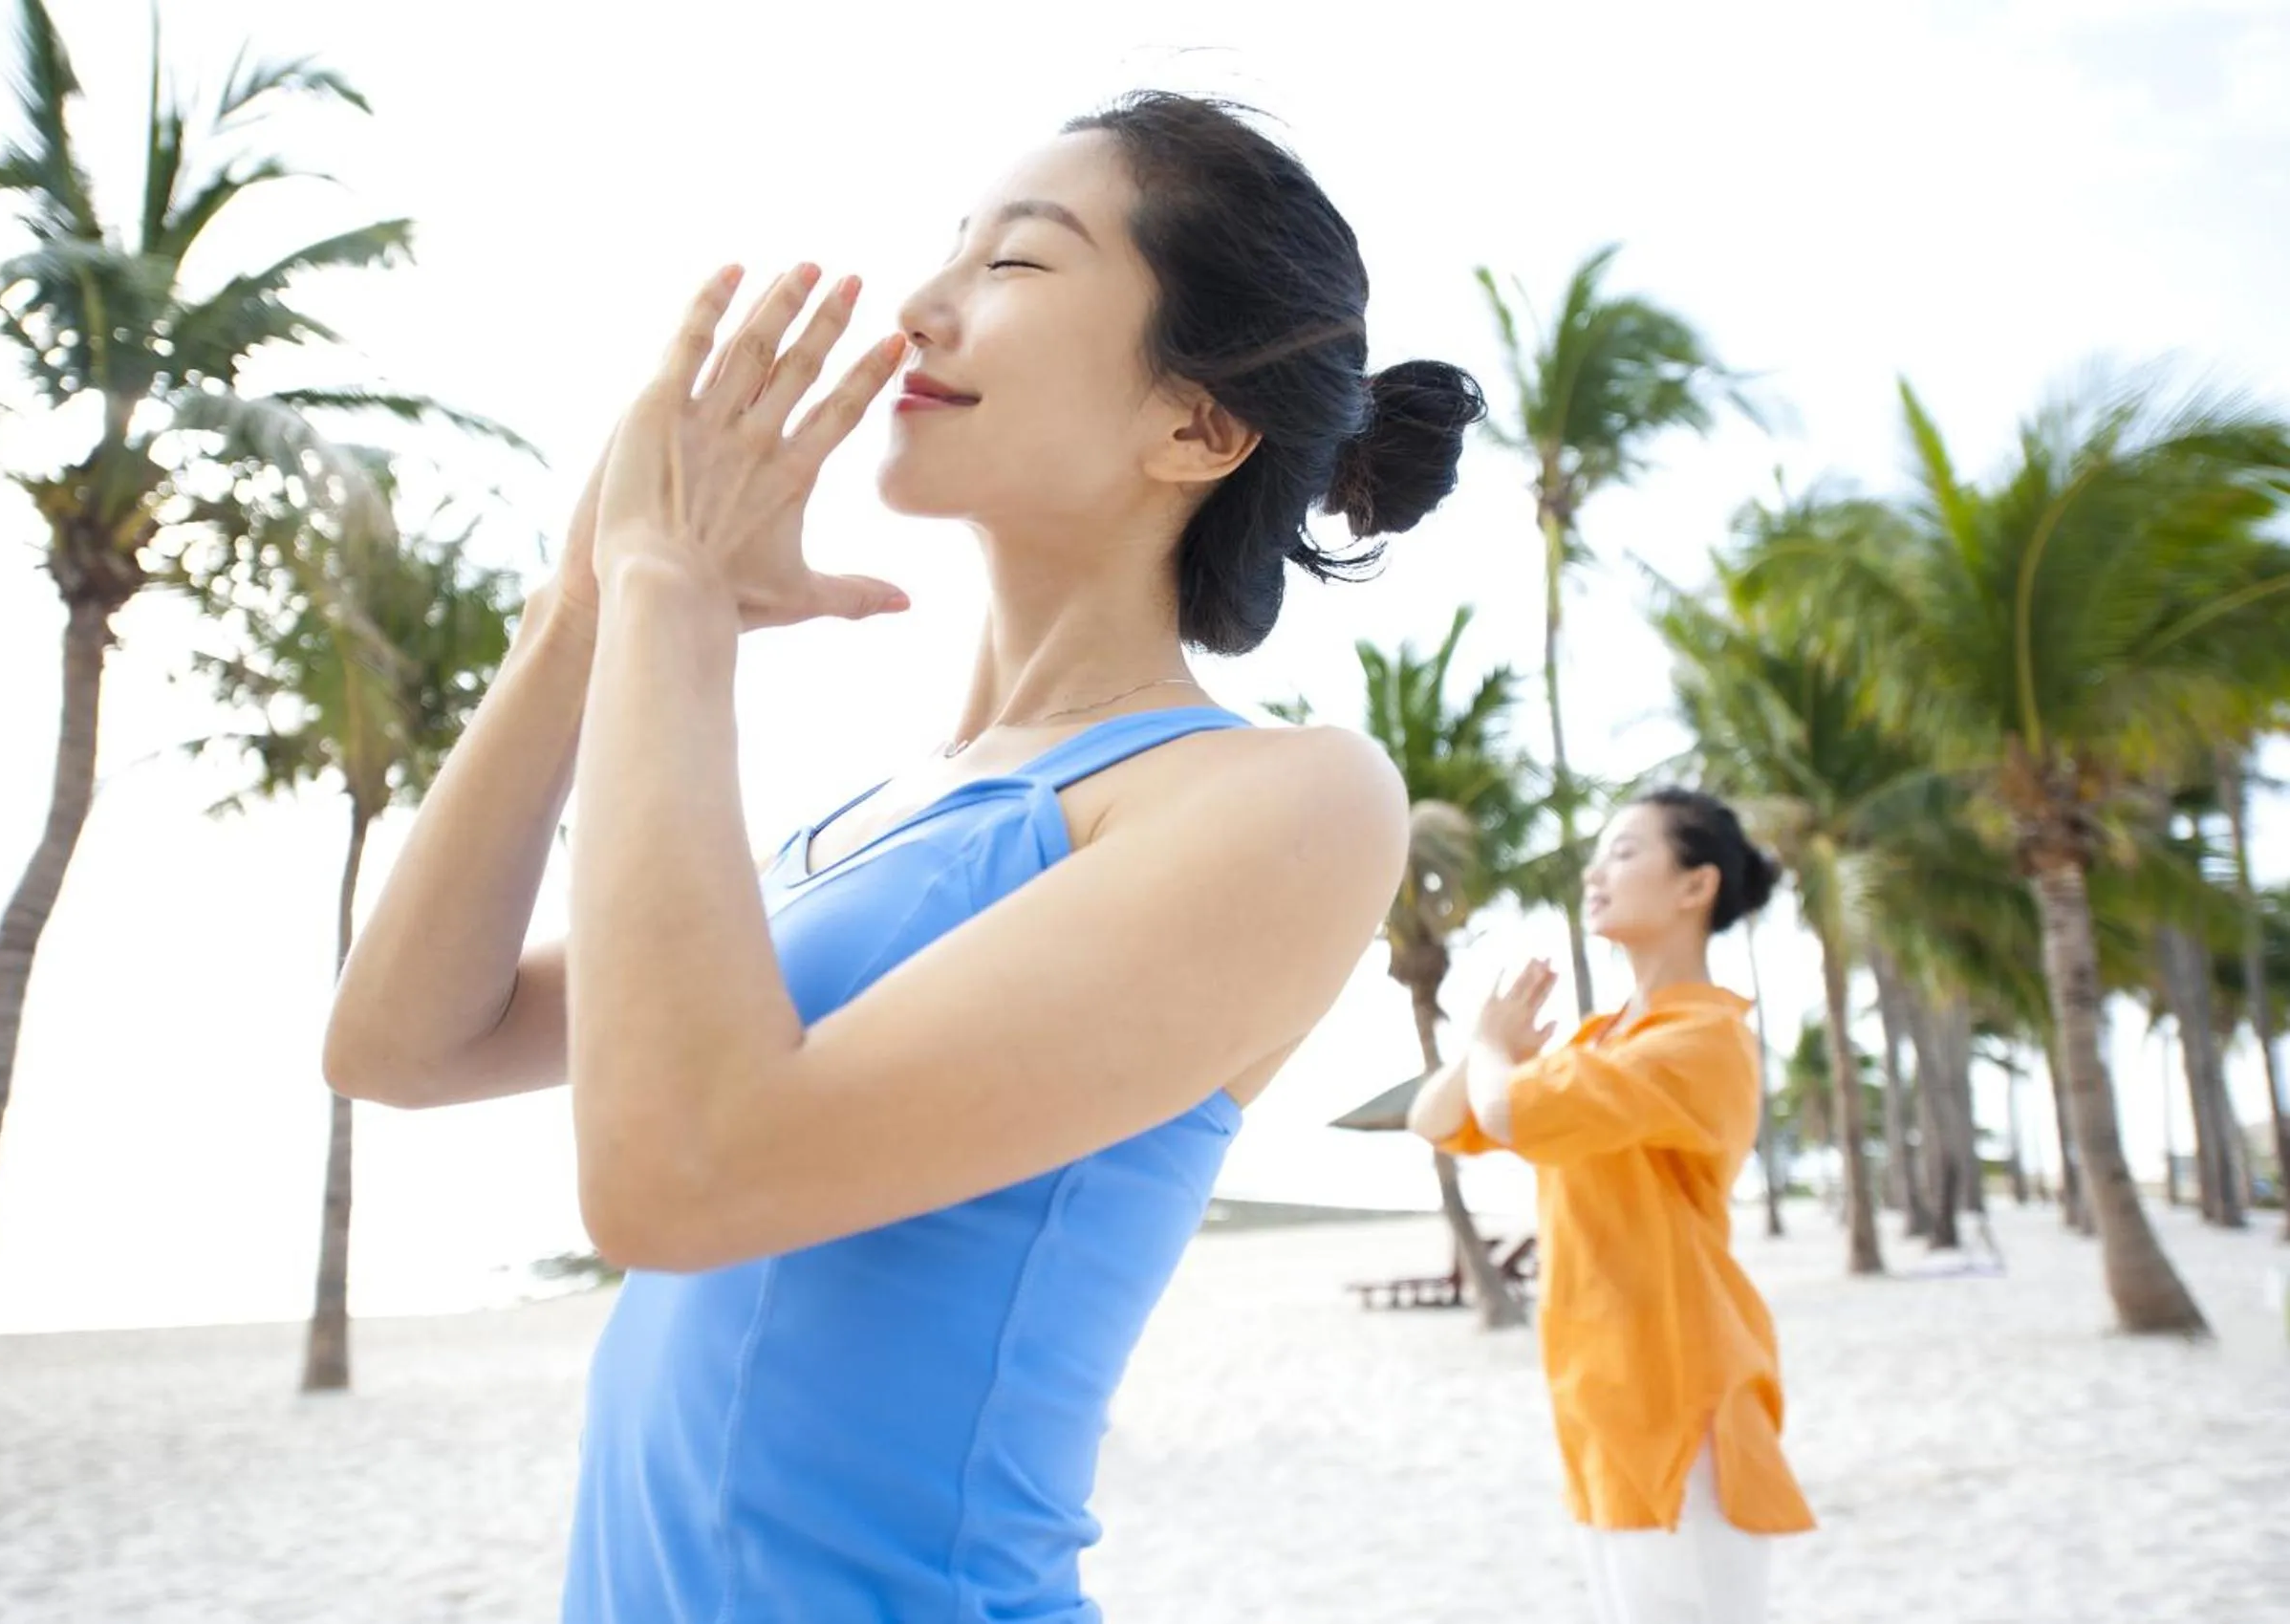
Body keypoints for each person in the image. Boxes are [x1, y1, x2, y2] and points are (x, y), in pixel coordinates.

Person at [324, 93, 1484, 1622]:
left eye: (1015, 264)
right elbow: (402, 1037)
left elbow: (680, 1174)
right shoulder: (863, 821)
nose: (921, 306)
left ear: (1194, 424)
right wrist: (586, 609)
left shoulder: (1284, 797)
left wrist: (674, 597)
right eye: (947, 248)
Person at [1409, 788, 1817, 1624]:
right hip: (1599, 1394)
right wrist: (1490, 1048)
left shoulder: (1700, 1038)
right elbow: (1437, 1119)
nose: (1595, 871)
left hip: (1681, 1396)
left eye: (1625, 851)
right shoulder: (1603, 1038)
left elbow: (1506, 1111)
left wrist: (1494, 1051)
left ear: (1693, 886)